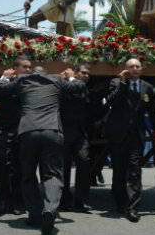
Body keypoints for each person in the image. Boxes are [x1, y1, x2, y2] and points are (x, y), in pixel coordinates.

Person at [0, 65, 85, 235]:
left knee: (28, 175)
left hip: (28, 132)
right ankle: (49, 209)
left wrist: (5, 76)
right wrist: (71, 76)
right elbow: (79, 87)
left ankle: (35, 215)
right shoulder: (57, 80)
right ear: (46, 73)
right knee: (53, 174)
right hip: (52, 131)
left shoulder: (22, 80)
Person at [105, 58, 155, 222]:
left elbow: (152, 112)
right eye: (131, 67)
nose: (135, 69)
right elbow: (112, 102)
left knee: (135, 172)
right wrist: (122, 83)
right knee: (119, 171)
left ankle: (133, 207)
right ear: (125, 69)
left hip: (136, 136)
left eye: (137, 66)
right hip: (118, 134)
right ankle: (120, 201)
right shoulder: (116, 82)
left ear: (141, 69)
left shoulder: (147, 88)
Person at [0, 56, 32, 214]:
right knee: (1, 164)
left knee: (20, 167)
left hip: (23, 131)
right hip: (4, 130)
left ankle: (18, 200)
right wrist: (4, 78)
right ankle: (3, 198)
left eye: (29, 67)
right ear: (14, 69)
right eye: (25, 67)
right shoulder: (5, 83)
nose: (28, 70)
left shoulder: (30, 83)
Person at [60, 63, 92, 213]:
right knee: (64, 168)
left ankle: (82, 200)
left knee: (84, 161)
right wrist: (70, 79)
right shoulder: (64, 84)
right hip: (64, 132)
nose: (86, 76)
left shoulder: (84, 88)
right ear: (75, 73)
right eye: (83, 73)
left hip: (79, 133)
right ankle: (64, 199)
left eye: (88, 74)